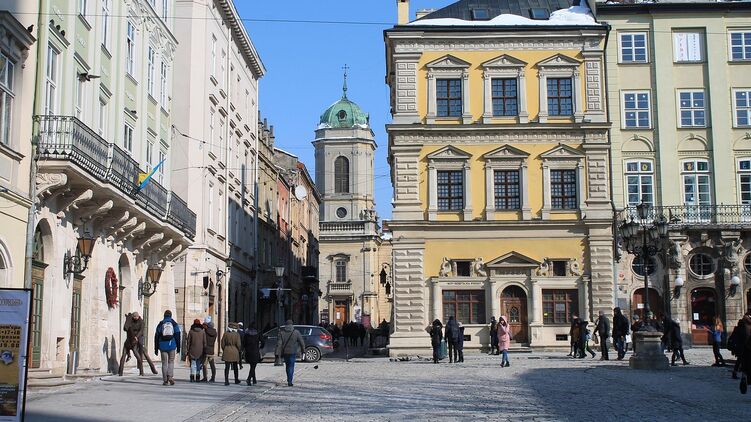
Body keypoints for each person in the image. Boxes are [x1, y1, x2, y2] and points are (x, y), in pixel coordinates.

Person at [275, 320, 305, 386]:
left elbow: (279, 344)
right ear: (292, 325)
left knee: (287, 366)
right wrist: (303, 350)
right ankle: (290, 381)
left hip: (285, 352)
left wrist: (277, 353)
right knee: (291, 366)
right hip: (293, 352)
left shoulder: (282, 333)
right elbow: (301, 342)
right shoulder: (296, 332)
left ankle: (289, 378)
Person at [154, 310, 181, 386]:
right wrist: (178, 347)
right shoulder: (174, 323)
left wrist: (156, 348)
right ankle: (170, 376)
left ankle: (165, 380)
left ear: (164, 315)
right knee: (171, 361)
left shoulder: (161, 323)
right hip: (171, 345)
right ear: (171, 315)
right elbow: (178, 335)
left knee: (164, 363)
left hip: (162, 345)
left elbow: (156, 336)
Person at [119, 312, 145, 376]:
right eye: (134, 316)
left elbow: (141, 330)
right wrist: (127, 320)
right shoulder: (130, 321)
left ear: (138, 316)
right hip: (129, 339)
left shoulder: (141, 322)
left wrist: (137, 337)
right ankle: (120, 372)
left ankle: (141, 371)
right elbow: (125, 328)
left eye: (137, 316)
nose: (135, 317)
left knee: (138, 351)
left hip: (136, 338)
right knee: (123, 355)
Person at [242, 321, 263, 386]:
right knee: (253, 366)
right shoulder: (258, 334)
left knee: (252, 366)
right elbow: (263, 341)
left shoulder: (246, 334)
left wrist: (244, 348)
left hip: (248, 352)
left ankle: (254, 379)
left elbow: (243, 343)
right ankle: (249, 379)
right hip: (255, 351)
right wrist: (261, 347)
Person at [202, 316, 218, 382]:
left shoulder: (205, 332)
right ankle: (213, 377)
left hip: (206, 350)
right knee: (212, 365)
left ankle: (205, 377)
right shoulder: (215, 333)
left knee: (204, 365)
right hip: (212, 350)